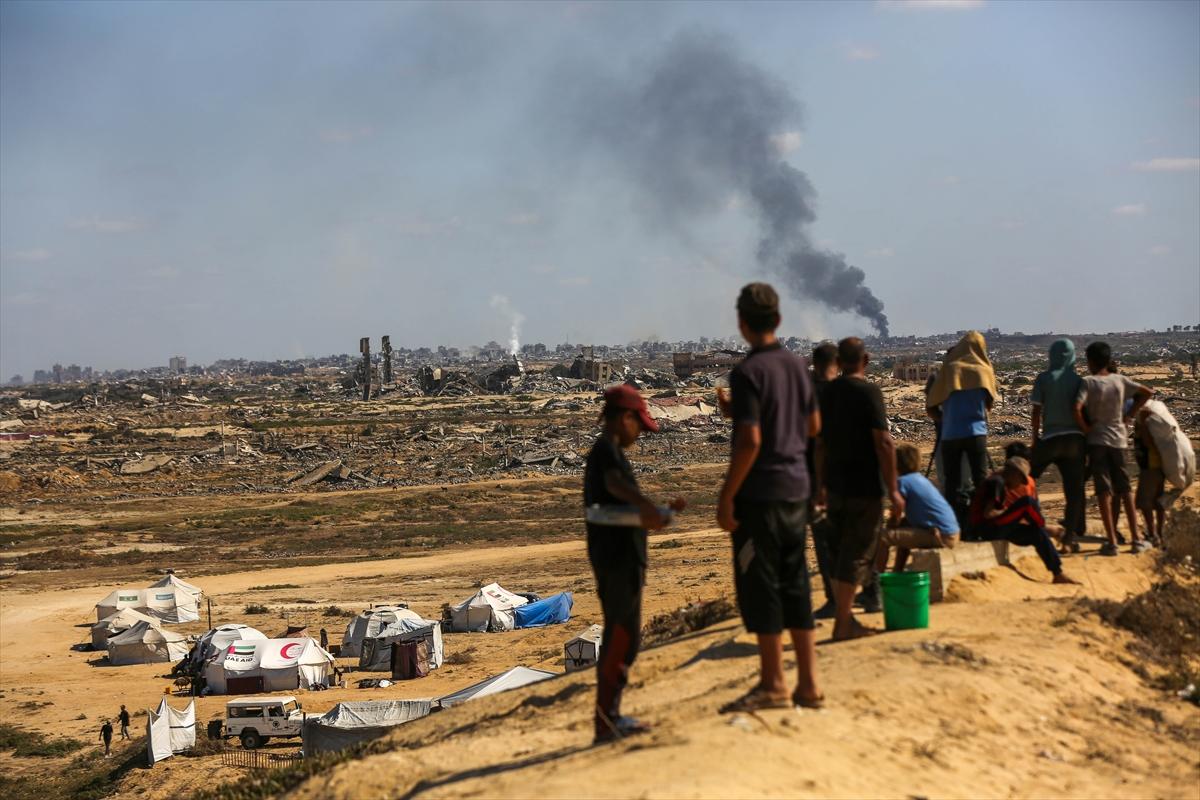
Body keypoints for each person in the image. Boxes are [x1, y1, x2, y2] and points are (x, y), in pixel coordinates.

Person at [716, 283, 823, 712]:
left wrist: (727, 495)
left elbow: (751, 441)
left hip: (761, 495)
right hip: (797, 489)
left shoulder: (747, 373)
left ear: (741, 323)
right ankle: (809, 684)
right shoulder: (797, 366)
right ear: (778, 320)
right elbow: (813, 426)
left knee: (761, 585)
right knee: (795, 581)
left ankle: (774, 682)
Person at [584, 384, 685, 744]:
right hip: (617, 561)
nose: (639, 434)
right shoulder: (607, 452)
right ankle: (606, 721)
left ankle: (610, 716)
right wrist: (646, 506)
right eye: (638, 426)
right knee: (620, 638)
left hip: (621, 558)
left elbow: (615, 511)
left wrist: (659, 513)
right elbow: (615, 487)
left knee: (624, 638)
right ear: (624, 417)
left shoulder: (608, 452)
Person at [818, 337, 903, 641]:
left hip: (834, 486)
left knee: (839, 552)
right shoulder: (869, 392)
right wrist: (894, 489)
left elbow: (820, 444)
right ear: (865, 360)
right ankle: (844, 623)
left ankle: (845, 618)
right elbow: (884, 443)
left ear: (839, 363)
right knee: (858, 554)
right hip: (864, 487)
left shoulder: (827, 394)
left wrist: (819, 486)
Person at [1074, 342, 1152, 555]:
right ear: (1108, 360)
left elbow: (1077, 408)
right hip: (1119, 441)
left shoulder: (1088, 382)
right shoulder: (1120, 380)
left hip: (1097, 442)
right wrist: (1129, 416)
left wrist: (1086, 429)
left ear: (1090, 361)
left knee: (1103, 491)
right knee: (1125, 490)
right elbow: (1147, 392)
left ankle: (1112, 542)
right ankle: (1136, 540)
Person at [967, 457, 1078, 584]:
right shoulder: (996, 482)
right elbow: (988, 514)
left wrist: (1013, 516)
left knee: (1037, 533)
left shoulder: (1002, 482)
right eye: (1021, 479)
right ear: (1014, 473)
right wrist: (1010, 512)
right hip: (988, 528)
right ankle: (1044, 526)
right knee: (1027, 503)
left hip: (999, 527)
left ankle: (1057, 573)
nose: (1021, 484)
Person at [926, 332, 998, 524]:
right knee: (980, 480)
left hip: (950, 434)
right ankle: (980, 523)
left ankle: (953, 524)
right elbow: (989, 404)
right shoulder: (984, 370)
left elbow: (931, 406)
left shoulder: (948, 370)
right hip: (976, 433)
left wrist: (947, 419)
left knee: (951, 483)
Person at [1030, 339, 1088, 553]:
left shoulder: (1043, 379)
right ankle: (1069, 538)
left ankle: (1032, 519)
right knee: (1074, 490)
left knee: (1028, 477)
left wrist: (1035, 439)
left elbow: (1036, 413)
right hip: (1074, 440)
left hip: (1051, 437)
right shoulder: (1079, 381)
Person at [874, 443, 960, 574]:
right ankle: (898, 572)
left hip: (941, 536)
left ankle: (877, 577)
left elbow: (897, 509)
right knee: (904, 525)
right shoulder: (920, 480)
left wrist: (891, 525)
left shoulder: (903, 482)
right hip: (951, 532)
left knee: (883, 537)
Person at [808, 341, 840, 620]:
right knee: (853, 537)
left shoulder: (805, 395)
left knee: (824, 539)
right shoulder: (848, 391)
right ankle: (869, 592)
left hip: (813, 478)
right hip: (847, 474)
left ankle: (834, 599)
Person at [1134, 407, 1166, 546]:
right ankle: (1160, 533)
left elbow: (1147, 442)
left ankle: (1153, 534)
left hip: (1150, 465)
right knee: (1158, 501)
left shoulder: (1145, 417)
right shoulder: (1155, 415)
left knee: (1144, 501)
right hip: (1158, 465)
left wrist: (1143, 424)